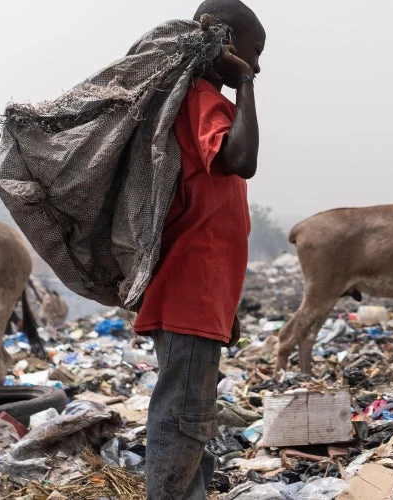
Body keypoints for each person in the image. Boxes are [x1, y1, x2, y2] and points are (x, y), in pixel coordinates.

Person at [133, 0, 264, 497]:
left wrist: (225, 308)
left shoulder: (200, 101)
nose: (260, 64)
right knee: (182, 423)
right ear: (228, 43)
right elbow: (242, 158)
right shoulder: (202, 98)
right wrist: (244, 82)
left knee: (196, 428)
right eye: (256, 52)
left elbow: (209, 214)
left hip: (199, 300)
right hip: (188, 297)